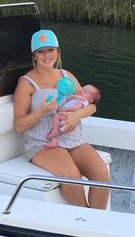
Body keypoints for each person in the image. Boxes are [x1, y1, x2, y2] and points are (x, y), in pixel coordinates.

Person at [13, 29, 109, 209]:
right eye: (41, 51)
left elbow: (91, 106)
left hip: (72, 139)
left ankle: (98, 221)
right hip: (41, 142)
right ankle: (84, 222)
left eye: (50, 50)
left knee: (101, 173)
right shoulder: (26, 83)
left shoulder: (67, 76)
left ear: (58, 52)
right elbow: (19, 125)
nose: (46, 55)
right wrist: (42, 111)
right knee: (71, 174)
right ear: (34, 56)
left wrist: (77, 115)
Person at [45, 84, 101, 149]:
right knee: (55, 126)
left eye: (85, 91)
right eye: (83, 88)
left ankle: (55, 132)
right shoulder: (78, 98)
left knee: (56, 116)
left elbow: (76, 108)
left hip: (68, 117)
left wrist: (66, 109)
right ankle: (53, 142)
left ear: (90, 100)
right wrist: (75, 97)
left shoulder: (84, 102)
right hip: (64, 116)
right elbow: (67, 99)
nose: (81, 90)